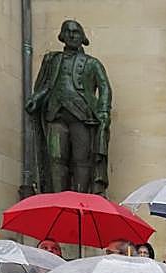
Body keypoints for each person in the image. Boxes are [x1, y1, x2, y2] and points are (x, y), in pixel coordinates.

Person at [25, 19, 111, 194]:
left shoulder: (92, 63)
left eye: (76, 32)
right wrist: (36, 98)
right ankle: (58, 196)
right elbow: (46, 86)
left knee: (82, 160)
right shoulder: (51, 60)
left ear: (83, 37)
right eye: (68, 32)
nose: (72, 35)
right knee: (56, 159)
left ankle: (80, 198)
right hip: (55, 115)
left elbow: (105, 89)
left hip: (82, 117)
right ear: (62, 36)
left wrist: (103, 112)